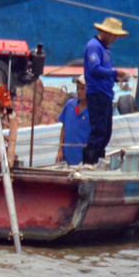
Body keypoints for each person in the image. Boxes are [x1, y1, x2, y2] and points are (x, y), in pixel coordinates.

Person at [82, 16, 127, 166]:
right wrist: (115, 73)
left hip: (105, 93)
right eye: (115, 35)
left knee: (106, 133)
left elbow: (104, 71)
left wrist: (115, 79)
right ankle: (89, 162)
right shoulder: (94, 46)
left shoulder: (105, 49)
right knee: (99, 131)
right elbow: (95, 69)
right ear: (108, 33)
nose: (115, 39)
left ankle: (98, 160)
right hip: (97, 93)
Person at [58, 80, 91, 164]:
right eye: (78, 88)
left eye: (82, 89)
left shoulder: (93, 111)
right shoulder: (70, 105)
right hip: (66, 157)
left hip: (83, 159)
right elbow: (64, 128)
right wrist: (60, 150)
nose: (79, 91)